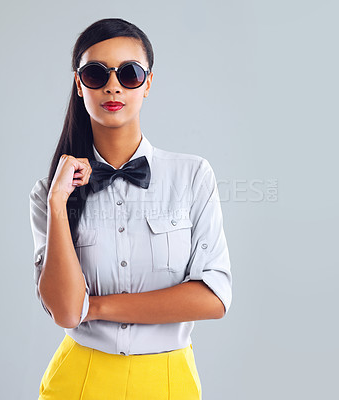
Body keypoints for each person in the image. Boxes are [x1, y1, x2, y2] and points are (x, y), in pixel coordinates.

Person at [29, 17, 232, 400]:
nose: (113, 86)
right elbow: (67, 313)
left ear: (148, 83)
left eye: (129, 73)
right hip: (78, 380)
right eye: (95, 73)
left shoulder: (192, 176)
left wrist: (99, 306)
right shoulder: (49, 193)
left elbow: (214, 297)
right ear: (79, 84)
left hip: (169, 380)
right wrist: (59, 205)